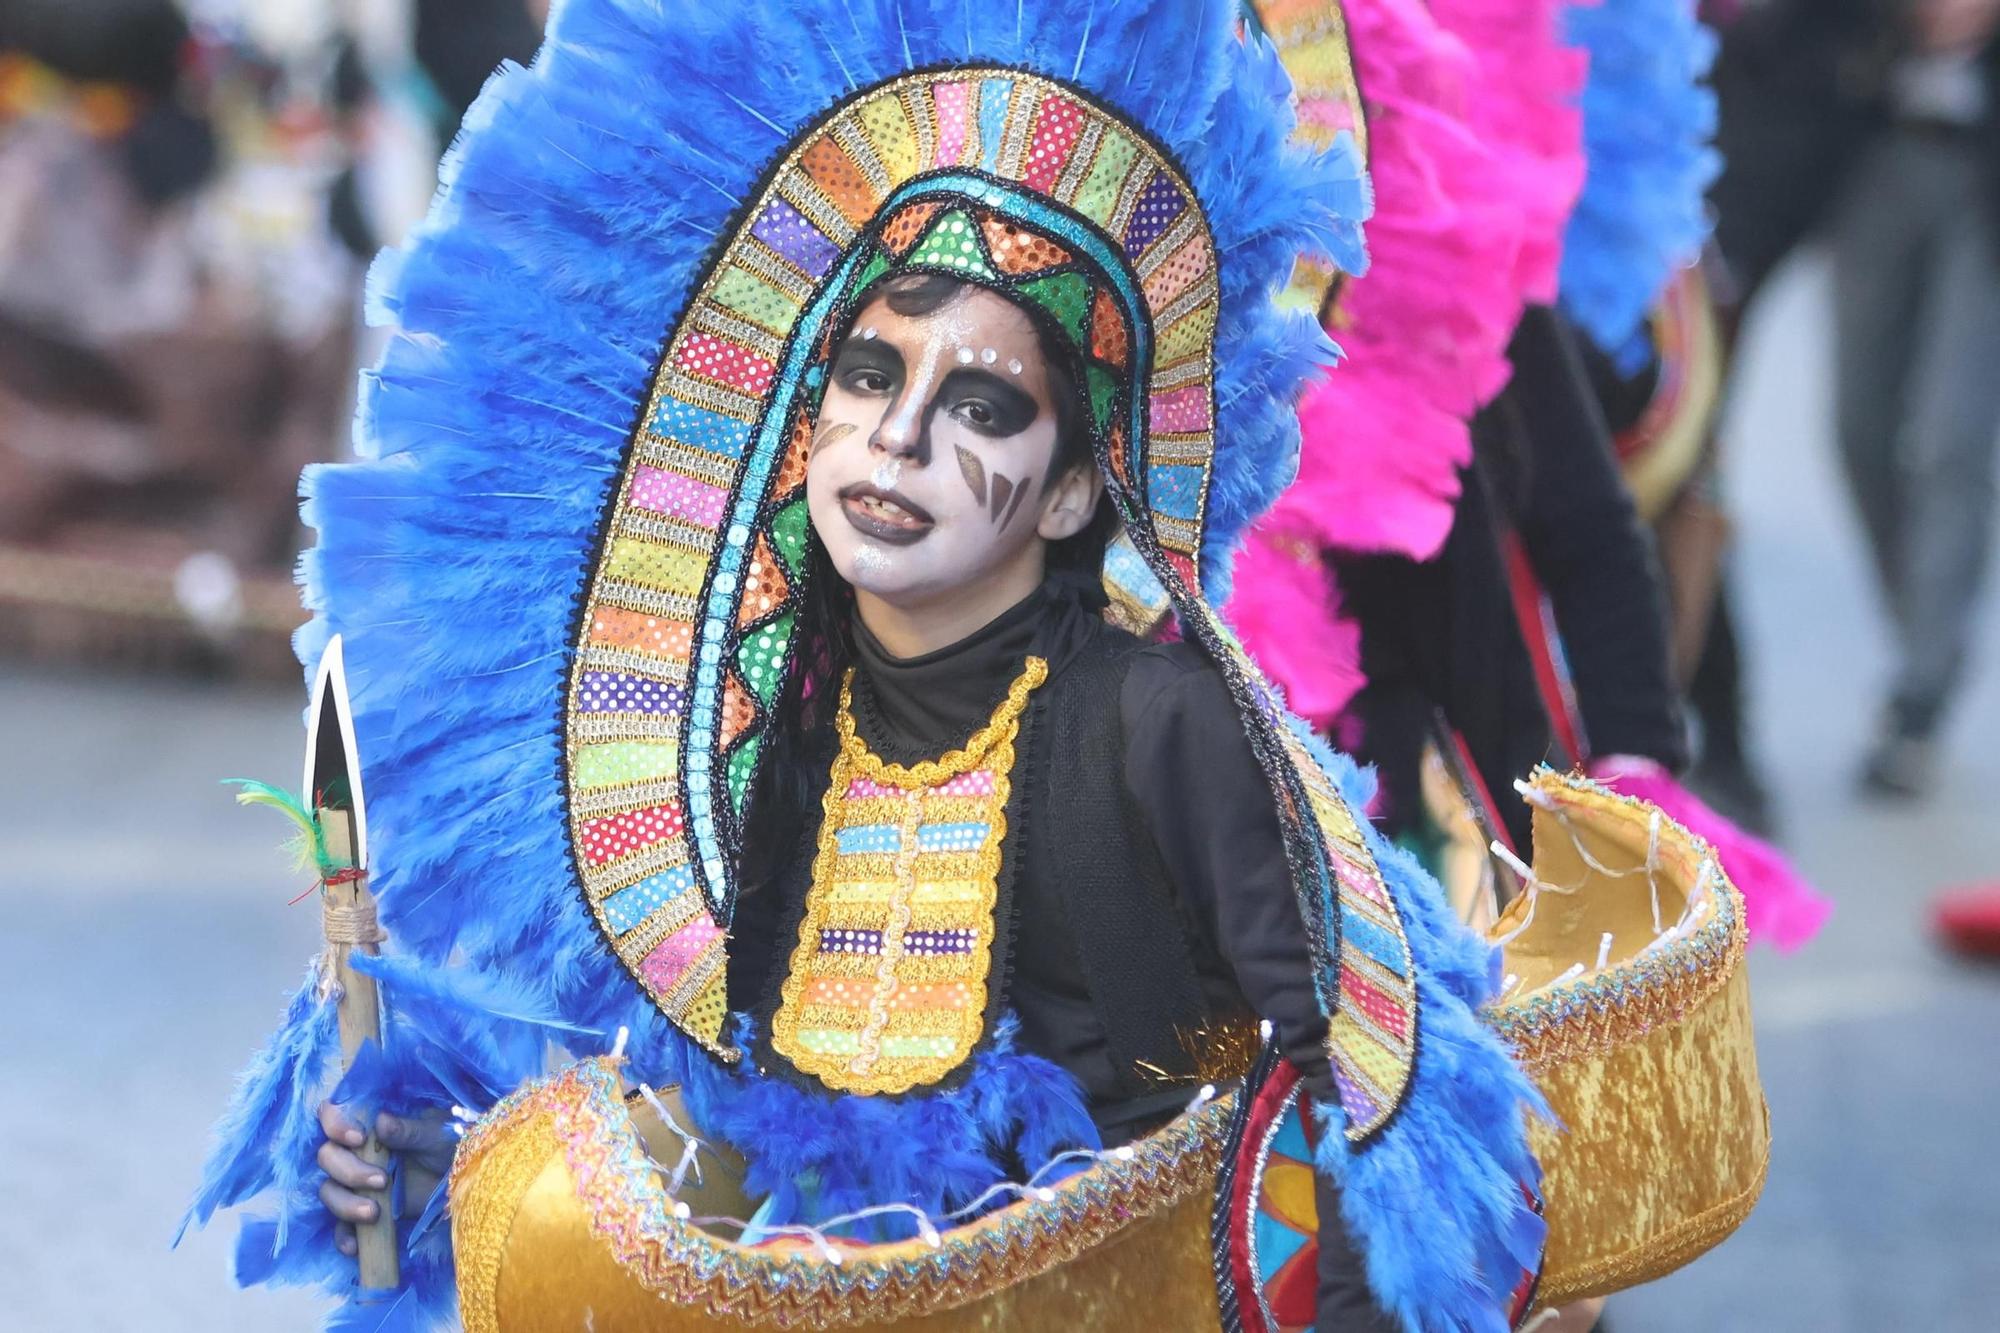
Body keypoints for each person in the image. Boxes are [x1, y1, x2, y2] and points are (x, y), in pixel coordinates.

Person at [185, 4, 1546, 1329]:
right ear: (806, 421)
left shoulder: (1164, 721)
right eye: (869, 375)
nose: (896, 439)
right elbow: (673, 1143)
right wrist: (420, 1174)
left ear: (1073, 492)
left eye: (979, 404)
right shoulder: (753, 737)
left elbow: (1357, 1101)